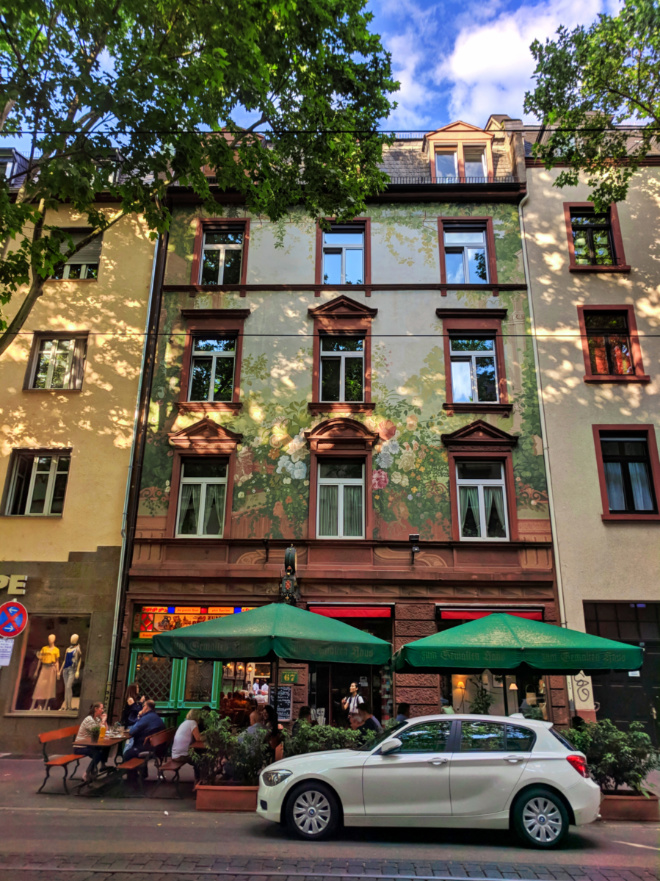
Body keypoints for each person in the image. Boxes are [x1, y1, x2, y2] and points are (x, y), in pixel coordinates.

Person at [74, 701, 110, 781]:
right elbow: (96, 732)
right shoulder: (89, 719)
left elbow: (105, 731)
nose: (103, 710)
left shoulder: (96, 719)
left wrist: (104, 721)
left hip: (89, 744)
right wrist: (103, 721)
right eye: (101, 708)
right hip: (80, 746)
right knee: (97, 753)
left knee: (106, 747)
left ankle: (103, 765)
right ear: (96, 709)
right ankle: (86, 773)